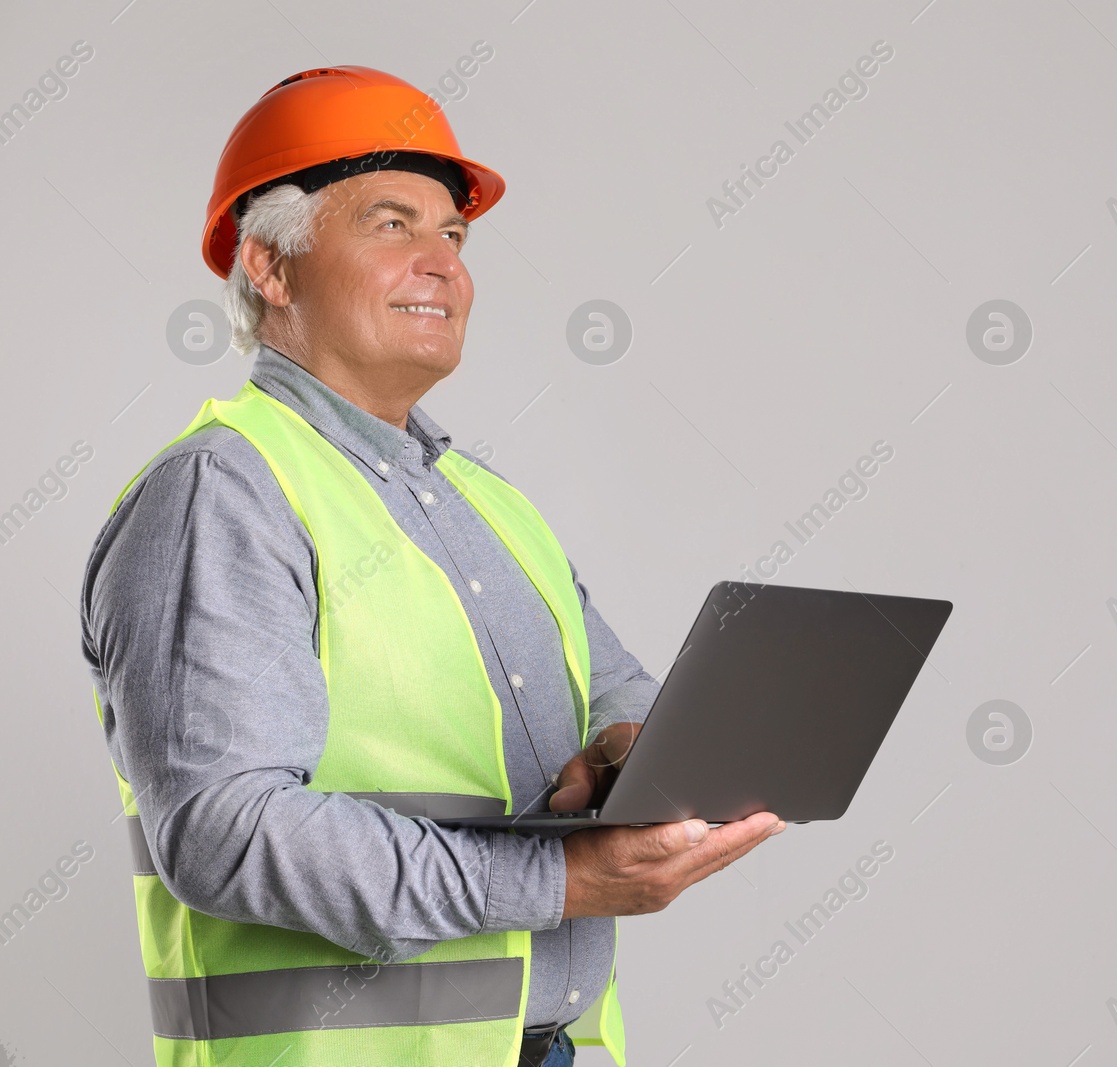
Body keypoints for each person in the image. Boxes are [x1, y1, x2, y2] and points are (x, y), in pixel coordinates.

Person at [78, 65, 783, 1067]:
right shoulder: (223, 493)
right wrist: (565, 880)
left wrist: (639, 755)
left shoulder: (488, 504)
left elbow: (616, 695)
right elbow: (227, 833)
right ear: (271, 265)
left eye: (452, 234)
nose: (443, 264)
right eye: (391, 225)